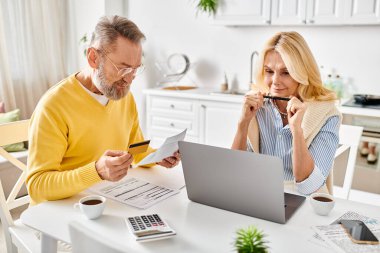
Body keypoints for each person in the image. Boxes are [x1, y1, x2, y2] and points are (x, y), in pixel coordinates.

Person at [26, 16, 180, 205]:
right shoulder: (54, 106)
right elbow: (37, 186)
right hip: (63, 211)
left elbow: (136, 149)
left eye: (135, 69)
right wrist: (96, 171)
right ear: (93, 58)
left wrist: (158, 156)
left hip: (109, 201)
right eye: (123, 69)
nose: (130, 79)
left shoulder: (123, 96)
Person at [232, 31, 341, 195]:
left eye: (286, 72)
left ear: (302, 73)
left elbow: (309, 186)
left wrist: (297, 130)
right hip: (258, 194)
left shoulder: (327, 114)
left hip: (304, 200)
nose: (275, 81)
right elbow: (235, 171)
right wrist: (243, 123)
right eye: (269, 71)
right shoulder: (257, 105)